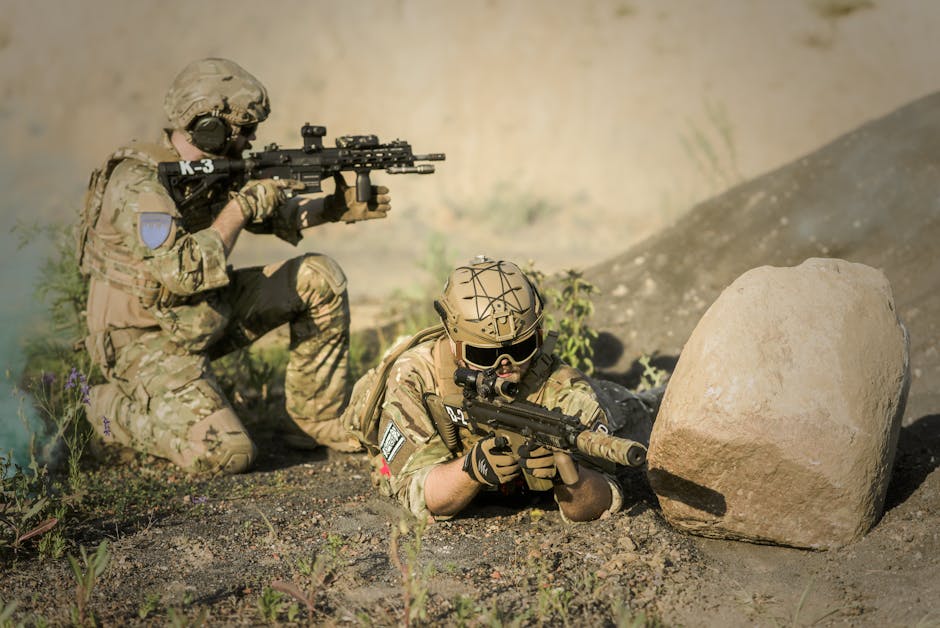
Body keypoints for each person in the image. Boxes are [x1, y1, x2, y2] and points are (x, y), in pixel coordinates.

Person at [79, 57, 391, 474]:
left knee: (320, 278)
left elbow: (271, 217)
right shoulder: (139, 186)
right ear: (210, 126)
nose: (251, 139)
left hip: (197, 313)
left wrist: (333, 208)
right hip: (140, 339)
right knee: (227, 454)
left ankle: (315, 420)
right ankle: (102, 408)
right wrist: (243, 205)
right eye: (244, 130)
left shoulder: (206, 170)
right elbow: (183, 271)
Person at [342, 256, 661, 523]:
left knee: (639, 407)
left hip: (615, 405)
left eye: (522, 348)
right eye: (484, 354)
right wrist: (471, 470)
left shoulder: (560, 385)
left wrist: (570, 475)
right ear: (455, 344)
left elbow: (601, 499)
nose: (505, 365)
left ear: (538, 336)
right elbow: (419, 493)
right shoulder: (416, 377)